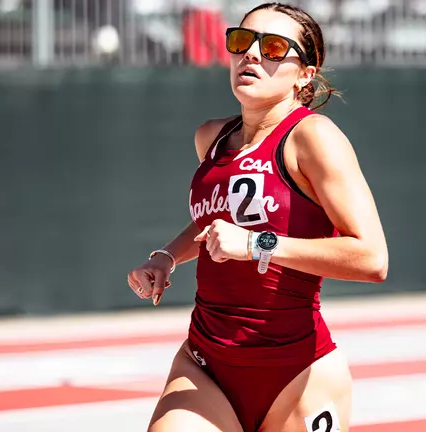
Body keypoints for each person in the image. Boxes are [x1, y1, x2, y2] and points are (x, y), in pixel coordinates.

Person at [126, 3, 388, 432]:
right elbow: (215, 224)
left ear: (305, 72)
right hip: (205, 363)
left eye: (272, 47)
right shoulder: (211, 137)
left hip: (297, 373)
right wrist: (165, 258)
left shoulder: (312, 137)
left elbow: (372, 258)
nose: (251, 55)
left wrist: (255, 244)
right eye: (242, 41)